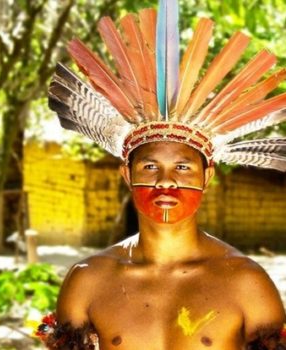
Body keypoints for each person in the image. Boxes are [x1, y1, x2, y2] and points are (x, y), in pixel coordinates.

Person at [38, 0, 286, 348]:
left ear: (207, 176)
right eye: (150, 166)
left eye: (183, 167)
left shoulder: (247, 283)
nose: (166, 181)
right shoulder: (88, 281)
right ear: (127, 174)